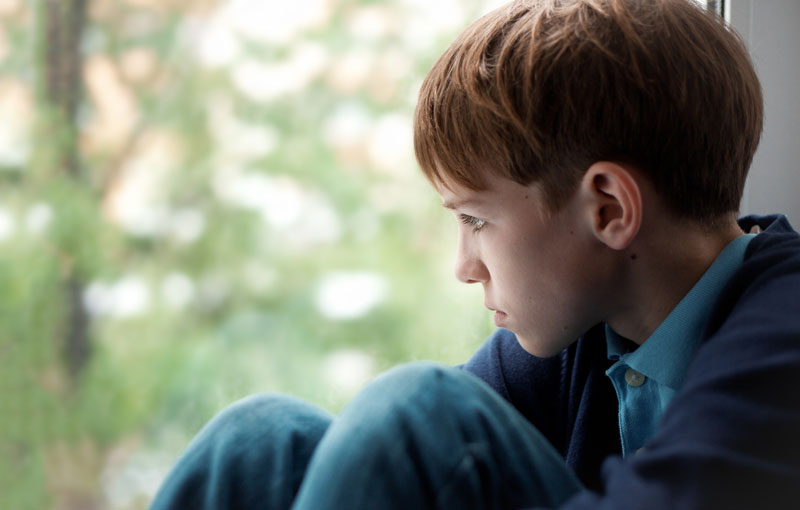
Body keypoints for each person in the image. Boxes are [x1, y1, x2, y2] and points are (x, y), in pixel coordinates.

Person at [151, 0, 800, 508]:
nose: (464, 266)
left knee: (418, 411)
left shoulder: (783, 332)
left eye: (475, 220)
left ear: (608, 208)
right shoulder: (586, 329)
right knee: (261, 440)